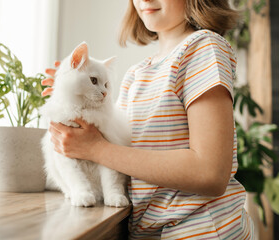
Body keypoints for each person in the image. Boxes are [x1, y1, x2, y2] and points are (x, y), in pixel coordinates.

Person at [42, 0, 254, 239]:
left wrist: (97, 149)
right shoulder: (137, 73)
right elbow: (116, 149)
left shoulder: (203, 48)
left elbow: (210, 173)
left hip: (203, 230)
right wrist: (70, 94)